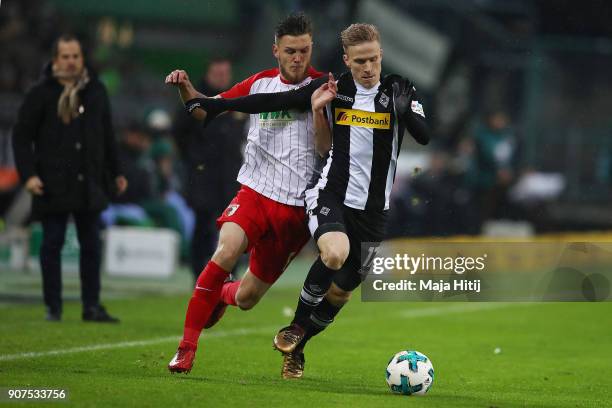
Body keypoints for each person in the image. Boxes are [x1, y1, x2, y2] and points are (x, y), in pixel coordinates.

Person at [189, 23, 430, 378]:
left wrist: (405, 108)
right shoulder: (335, 89)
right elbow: (275, 100)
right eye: (360, 61)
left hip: (374, 211)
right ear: (347, 60)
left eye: (374, 60)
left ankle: (298, 346)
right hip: (331, 194)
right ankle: (296, 327)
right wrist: (216, 106)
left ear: (381, 57)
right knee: (334, 253)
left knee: (340, 295)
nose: (368, 68)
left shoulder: (399, 88)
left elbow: (424, 136)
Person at [164, 13, 328, 373]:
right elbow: (204, 110)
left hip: (294, 210)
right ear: (275, 50)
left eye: (303, 50)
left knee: (247, 297)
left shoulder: (325, 87)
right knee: (224, 252)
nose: (298, 58)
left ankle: (222, 296)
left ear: (311, 48)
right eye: (290, 51)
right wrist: (185, 89)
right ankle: (186, 349)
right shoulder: (257, 84)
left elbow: (325, 148)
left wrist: (318, 113)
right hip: (253, 191)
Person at [12, 34, 127, 322]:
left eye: (76, 56)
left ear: (82, 59)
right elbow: (21, 137)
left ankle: (91, 306)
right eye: (65, 56)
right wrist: (28, 175)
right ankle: (54, 306)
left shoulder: (95, 90)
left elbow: (107, 135)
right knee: (52, 243)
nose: (71, 61)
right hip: (53, 181)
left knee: (91, 245)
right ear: (55, 60)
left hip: (89, 181)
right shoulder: (40, 93)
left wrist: (117, 171)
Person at [172, 57, 246, 280]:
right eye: (218, 74)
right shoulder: (192, 99)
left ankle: (231, 274)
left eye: (225, 74)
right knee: (203, 227)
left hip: (230, 173)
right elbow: (179, 134)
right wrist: (195, 160)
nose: (222, 78)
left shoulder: (236, 98)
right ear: (208, 74)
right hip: (203, 175)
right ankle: (198, 276)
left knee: (233, 226)